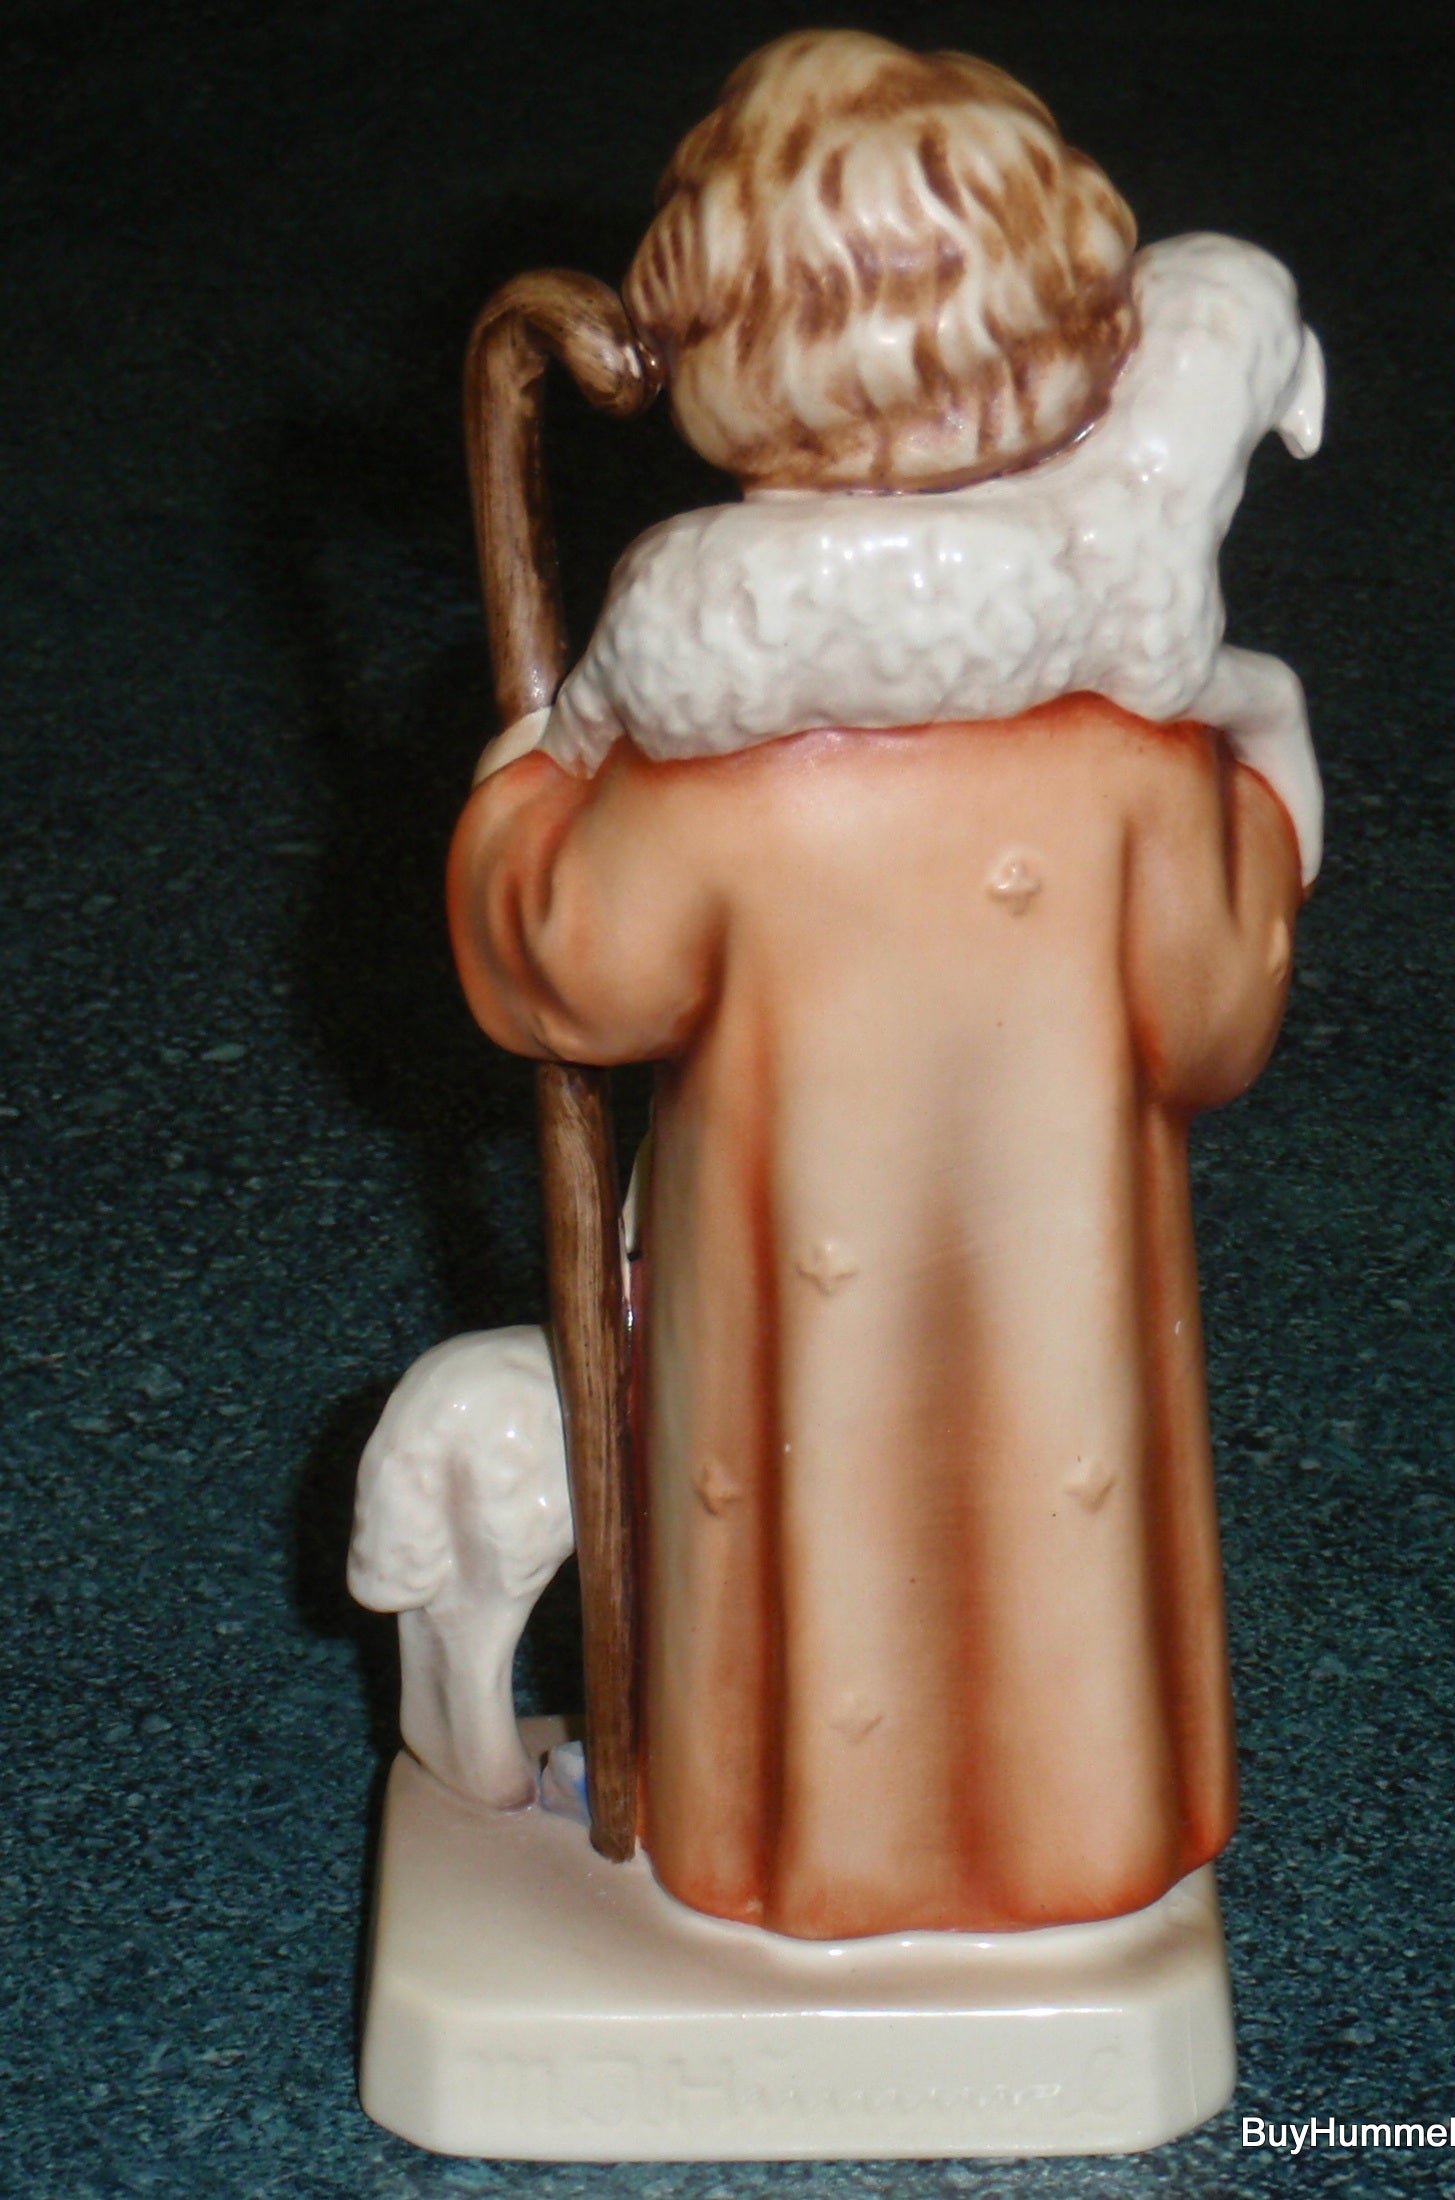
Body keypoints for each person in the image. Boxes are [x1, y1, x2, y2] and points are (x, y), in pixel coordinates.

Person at [448, 31, 1305, 1940]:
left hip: (786, 1306)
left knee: (807, 1528)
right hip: (1059, 1296)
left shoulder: (704, 773)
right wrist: (1268, 804)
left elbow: (558, 964)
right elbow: (1216, 1012)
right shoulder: (1134, 756)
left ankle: (806, 1851)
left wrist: (518, 788)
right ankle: (1071, 1842)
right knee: (1058, 1521)